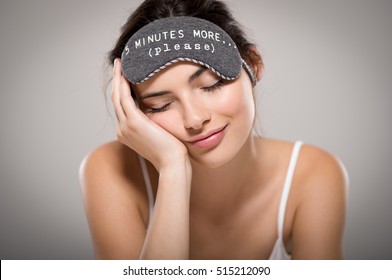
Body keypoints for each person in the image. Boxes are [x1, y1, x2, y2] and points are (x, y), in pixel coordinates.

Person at [79, 0, 348, 260]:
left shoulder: (312, 174)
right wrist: (173, 170)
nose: (194, 119)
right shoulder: (110, 169)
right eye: (160, 105)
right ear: (134, 109)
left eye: (211, 85)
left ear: (253, 64)